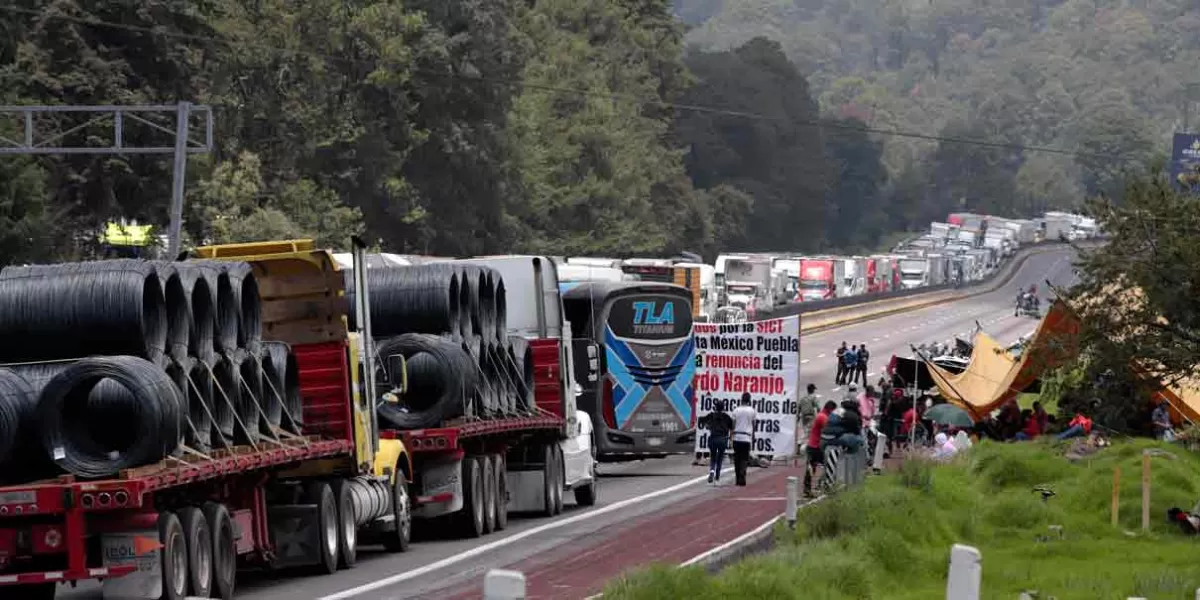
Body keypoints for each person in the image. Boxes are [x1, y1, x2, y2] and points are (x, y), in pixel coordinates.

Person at [803, 401, 837, 497]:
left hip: (816, 446)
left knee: (823, 466)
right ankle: (810, 488)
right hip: (815, 447)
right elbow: (829, 429)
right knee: (813, 468)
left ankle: (813, 487)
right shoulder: (822, 417)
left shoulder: (822, 415)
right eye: (832, 411)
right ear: (829, 409)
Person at [698, 399, 734, 484]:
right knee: (720, 457)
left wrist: (707, 425)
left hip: (713, 438)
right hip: (723, 439)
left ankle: (711, 472)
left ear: (715, 407)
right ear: (723, 408)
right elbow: (732, 427)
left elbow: (701, 420)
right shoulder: (726, 417)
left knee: (713, 456)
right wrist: (731, 439)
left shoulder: (711, 415)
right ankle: (717, 477)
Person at [731, 392, 757, 487]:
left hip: (737, 437)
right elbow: (754, 425)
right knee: (744, 459)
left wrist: (732, 436)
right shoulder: (752, 411)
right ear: (749, 400)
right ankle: (743, 476)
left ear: (741, 399)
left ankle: (738, 478)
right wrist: (753, 437)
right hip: (746, 438)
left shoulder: (736, 410)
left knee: (737, 459)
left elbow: (733, 425)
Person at [795, 384, 820, 466]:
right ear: (812, 390)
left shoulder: (803, 398)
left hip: (803, 417)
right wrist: (819, 415)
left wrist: (798, 418)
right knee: (809, 433)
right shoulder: (813, 397)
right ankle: (800, 444)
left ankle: (804, 446)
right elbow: (818, 407)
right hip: (810, 416)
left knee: (807, 430)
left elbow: (798, 408)